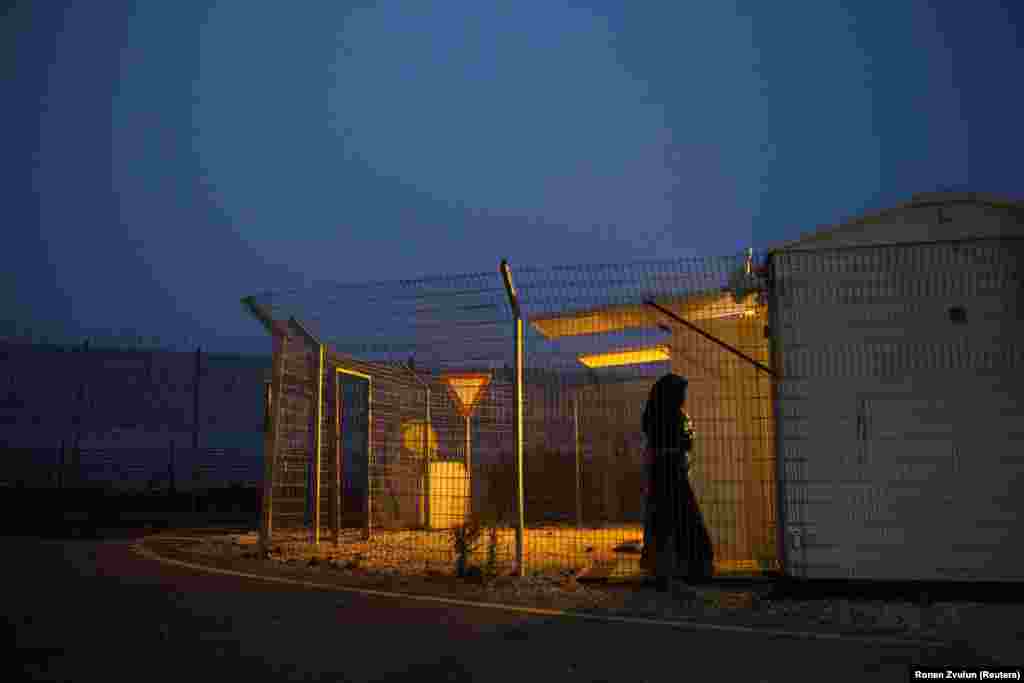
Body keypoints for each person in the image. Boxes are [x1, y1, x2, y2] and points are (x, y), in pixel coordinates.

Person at [640, 373, 714, 592]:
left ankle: (659, 567)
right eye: (681, 393)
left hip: (659, 471)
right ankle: (692, 564)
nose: (684, 397)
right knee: (685, 515)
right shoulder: (677, 416)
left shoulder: (652, 414)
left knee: (660, 519)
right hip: (673, 471)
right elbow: (686, 441)